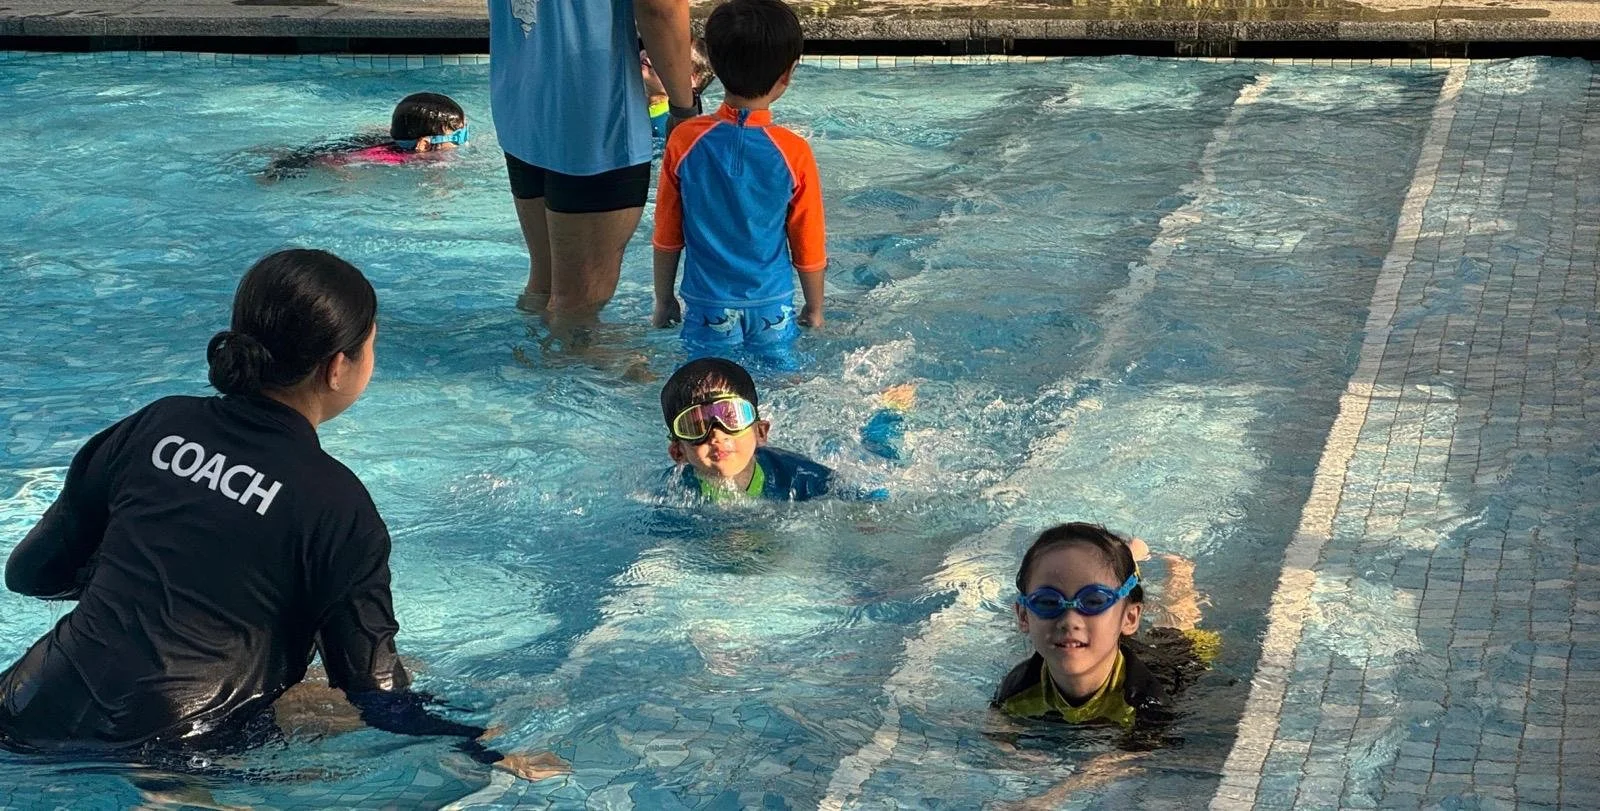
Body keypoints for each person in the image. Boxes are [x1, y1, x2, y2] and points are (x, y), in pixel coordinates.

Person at [0, 249, 549, 779]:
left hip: (28, 706)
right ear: (338, 367)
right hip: (170, 751)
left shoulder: (154, 425)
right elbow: (377, 698)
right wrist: (483, 749)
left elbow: (30, 574)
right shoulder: (339, 507)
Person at [491, 0, 697, 334]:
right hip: (594, 113)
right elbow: (661, 8)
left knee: (544, 290)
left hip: (520, 99)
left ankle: (523, 374)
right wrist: (685, 109)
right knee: (577, 312)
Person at [650, 0, 826, 369]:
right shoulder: (794, 152)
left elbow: (668, 233)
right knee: (781, 380)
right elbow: (807, 241)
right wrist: (815, 307)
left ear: (711, 61)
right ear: (787, 75)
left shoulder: (684, 141)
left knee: (706, 383)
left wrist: (663, 298)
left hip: (707, 304)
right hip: (771, 303)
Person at [993, 523, 1217, 734]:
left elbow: (1148, 749)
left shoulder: (1147, 697)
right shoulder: (1017, 688)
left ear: (1129, 618)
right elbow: (998, 733)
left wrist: (1099, 769)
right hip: (1109, 636)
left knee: (1175, 626)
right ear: (1024, 616)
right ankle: (1123, 567)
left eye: (1094, 601)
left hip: (1169, 657)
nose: (1070, 620)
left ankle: (1179, 571)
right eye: (1048, 602)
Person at [659, 357, 905, 503]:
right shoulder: (670, 493)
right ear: (678, 452)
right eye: (696, 425)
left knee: (879, 456)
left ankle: (887, 416)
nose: (717, 434)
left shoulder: (800, 476)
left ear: (760, 432)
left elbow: (867, 500)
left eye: (731, 417)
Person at [259, 92, 469, 182]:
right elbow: (335, 162)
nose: (465, 141)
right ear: (424, 145)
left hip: (351, 144)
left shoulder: (402, 141)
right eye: (459, 137)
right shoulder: (392, 159)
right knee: (288, 165)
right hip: (328, 160)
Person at [643, 40, 715, 139]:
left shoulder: (668, 127)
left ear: (690, 80)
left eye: (665, 54)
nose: (649, 53)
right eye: (652, 46)